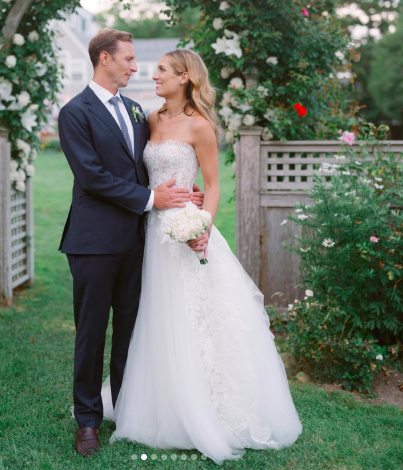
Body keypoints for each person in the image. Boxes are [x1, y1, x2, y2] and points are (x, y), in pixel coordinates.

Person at [101, 49, 303, 464]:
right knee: (155, 316)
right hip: (149, 234)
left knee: (196, 320)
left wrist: (202, 228)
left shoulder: (201, 126)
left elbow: (211, 186)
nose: (151, 75)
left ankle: (207, 406)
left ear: (186, 77)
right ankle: (156, 400)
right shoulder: (149, 120)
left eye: (161, 71)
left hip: (185, 234)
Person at [58, 29, 204, 458]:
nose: (135, 67)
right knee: (91, 334)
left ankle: (126, 409)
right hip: (92, 242)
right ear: (105, 59)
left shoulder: (137, 110)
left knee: (129, 332)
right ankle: (87, 420)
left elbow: (150, 167)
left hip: (139, 242)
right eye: (129, 59)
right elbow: (92, 177)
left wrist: (182, 195)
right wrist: (151, 199)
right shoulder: (75, 112)